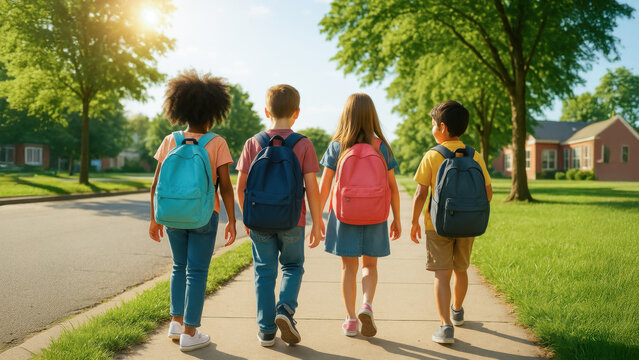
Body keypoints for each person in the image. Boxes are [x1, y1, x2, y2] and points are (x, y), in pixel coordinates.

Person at [148, 70, 237, 352]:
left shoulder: (169, 140)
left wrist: (154, 218)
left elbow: (156, 184)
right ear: (213, 112)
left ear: (181, 108)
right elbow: (225, 187)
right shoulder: (216, 142)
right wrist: (232, 220)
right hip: (204, 215)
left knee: (179, 266)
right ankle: (190, 332)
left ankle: (176, 322)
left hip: (172, 214)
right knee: (197, 272)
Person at [236, 84, 324, 347]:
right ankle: (284, 309)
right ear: (296, 113)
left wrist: (247, 218)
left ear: (266, 111)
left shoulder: (253, 143)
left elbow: (240, 187)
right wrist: (317, 222)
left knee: (263, 271)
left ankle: (265, 331)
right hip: (292, 219)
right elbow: (312, 187)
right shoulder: (304, 144)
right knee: (293, 266)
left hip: (260, 219)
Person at [410, 100, 493, 344]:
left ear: (442, 128)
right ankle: (457, 310)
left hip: (438, 226)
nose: (432, 128)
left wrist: (414, 221)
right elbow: (487, 192)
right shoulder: (474, 154)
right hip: (468, 225)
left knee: (441, 274)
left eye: (433, 124)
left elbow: (420, 194)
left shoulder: (432, 155)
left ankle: (445, 326)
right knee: (461, 269)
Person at [318, 93, 401, 337]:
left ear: (346, 115)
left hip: (344, 215)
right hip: (376, 215)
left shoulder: (337, 146)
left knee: (348, 268)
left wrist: (316, 218)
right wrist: (396, 217)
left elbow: (325, 186)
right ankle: (367, 304)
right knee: (370, 266)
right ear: (372, 116)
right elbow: (393, 187)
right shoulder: (381, 147)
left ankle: (351, 319)